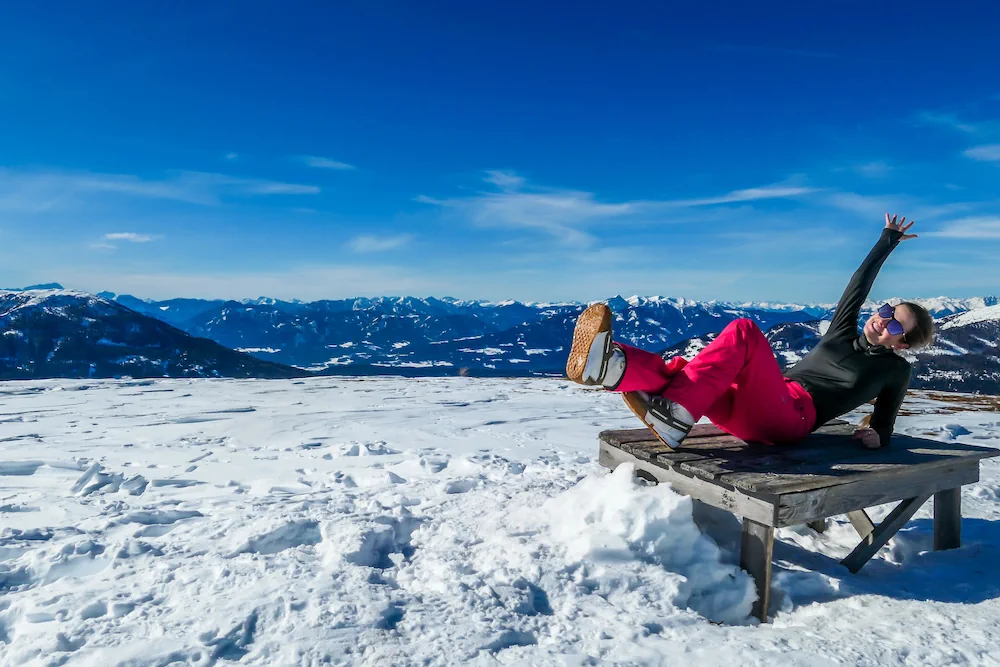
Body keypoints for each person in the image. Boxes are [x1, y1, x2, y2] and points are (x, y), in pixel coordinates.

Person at [566, 214, 936, 450]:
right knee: (685, 371)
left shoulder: (895, 370)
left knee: (744, 331)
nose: (880, 318)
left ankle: (670, 409)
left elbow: (885, 420)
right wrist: (886, 239)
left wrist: (879, 436)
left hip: (792, 418)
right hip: (757, 409)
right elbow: (859, 285)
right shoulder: (842, 332)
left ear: (902, 342)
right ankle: (613, 366)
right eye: (886, 310)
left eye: (892, 322)